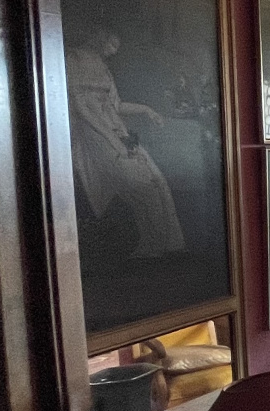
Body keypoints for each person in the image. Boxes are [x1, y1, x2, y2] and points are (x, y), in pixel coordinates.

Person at [66, 30, 185, 257]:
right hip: (95, 135)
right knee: (140, 185)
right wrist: (111, 139)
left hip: (117, 131)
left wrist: (147, 110)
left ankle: (162, 244)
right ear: (99, 37)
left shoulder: (103, 67)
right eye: (111, 45)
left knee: (157, 180)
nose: (112, 51)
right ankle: (152, 242)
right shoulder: (74, 58)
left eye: (116, 48)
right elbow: (81, 109)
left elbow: (117, 106)